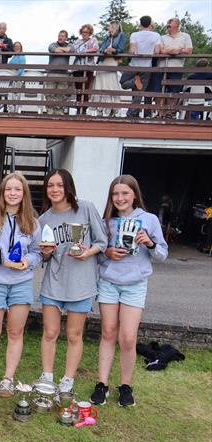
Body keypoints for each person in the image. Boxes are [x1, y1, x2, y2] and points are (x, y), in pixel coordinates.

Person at [92, 175, 168, 407]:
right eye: (116, 194)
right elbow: (96, 250)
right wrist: (107, 253)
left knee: (127, 338)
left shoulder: (149, 219)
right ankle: (102, 384)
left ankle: (125, 385)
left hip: (135, 285)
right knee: (108, 333)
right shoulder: (106, 221)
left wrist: (150, 243)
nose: (120, 198)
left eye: (125, 193)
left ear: (135, 194)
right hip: (109, 282)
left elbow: (163, 254)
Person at [37, 169, 106, 394]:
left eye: (60, 185)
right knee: (49, 332)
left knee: (74, 335)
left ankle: (67, 380)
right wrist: (46, 253)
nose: (55, 190)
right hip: (54, 283)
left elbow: (101, 241)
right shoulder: (44, 219)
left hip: (81, 284)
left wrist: (88, 253)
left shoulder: (85, 208)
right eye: (50, 185)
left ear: (69, 187)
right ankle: (47, 378)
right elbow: (43, 256)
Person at [0, 172, 41, 397]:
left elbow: (38, 252)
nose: (13, 193)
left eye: (17, 190)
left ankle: (7, 379)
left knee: (15, 332)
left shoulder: (32, 221)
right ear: (2, 192)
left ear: (24, 194)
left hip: (21, 283)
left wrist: (28, 261)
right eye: (8, 189)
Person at [127, 16, 163, 118]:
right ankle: (137, 113)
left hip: (135, 65)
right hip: (147, 66)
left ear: (141, 24)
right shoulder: (156, 35)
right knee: (144, 90)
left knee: (135, 89)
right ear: (150, 23)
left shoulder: (134, 35)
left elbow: (132, 51)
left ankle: (134, 113)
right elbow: (157, 52)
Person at [91, 21, 126, 117]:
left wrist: (113, 50)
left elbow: (121, 49)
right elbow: (101, 49)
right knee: (101, 83)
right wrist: (105, 50)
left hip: (112, 61)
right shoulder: (107, 37)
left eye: (109, 26)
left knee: (110, 83)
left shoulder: (121, 35)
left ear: (114, 27)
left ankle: (112, 108)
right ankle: (101, 108)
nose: (108, 28)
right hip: (103, 60)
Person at [159, 17, 193, 118]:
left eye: (170, 24)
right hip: (161, 67)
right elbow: (160, 50)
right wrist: (171, 51)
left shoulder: (185, 36)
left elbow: (189, 50)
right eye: (167, 24)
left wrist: (179, 51)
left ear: (177, 25)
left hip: (177, 67)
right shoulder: (162, 37)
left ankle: (170, 112)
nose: (168, 26)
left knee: (174, 90)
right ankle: (160, 112)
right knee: (160, 90)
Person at [46, 30, 75, 115]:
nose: (60, 37)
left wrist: (61, 49)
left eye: (62, 36)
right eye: (59, 35)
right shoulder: (52, 44)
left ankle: (58, 110)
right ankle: (50, 110)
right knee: (49, 92)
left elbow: (72, 50)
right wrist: (65, 50)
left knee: (61, 93)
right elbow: (53, 50)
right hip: (52, 72)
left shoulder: (70, 45)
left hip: (64, 73)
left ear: (66, 38)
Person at [73, 24, 99, 114]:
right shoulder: (77, 41)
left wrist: (84, 51)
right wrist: (85, 51)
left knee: (86, 89)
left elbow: (95, 49)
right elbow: (74, 50)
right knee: (78, 89)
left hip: (88, 68)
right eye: (83, 32)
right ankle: (78, 109)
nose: (85, 34)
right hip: (77, 68)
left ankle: (84, 109)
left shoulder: (93, 40)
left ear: (90, 33)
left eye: (87, 32)